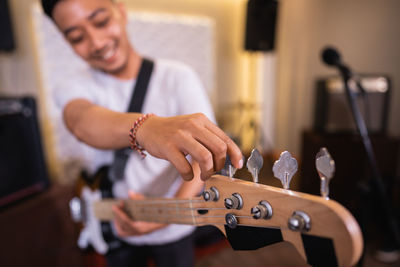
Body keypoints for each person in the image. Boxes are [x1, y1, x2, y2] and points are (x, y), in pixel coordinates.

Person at [40, 0, 243, 266]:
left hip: (175, 225)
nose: (97, 42)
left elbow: (202, 159)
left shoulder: (177, 77)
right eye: (77, 37)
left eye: (101, 22)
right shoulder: (74, 85)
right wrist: (144, 128)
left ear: (120, 11)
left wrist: (171, 213)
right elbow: (81, 121)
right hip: (114, 224)